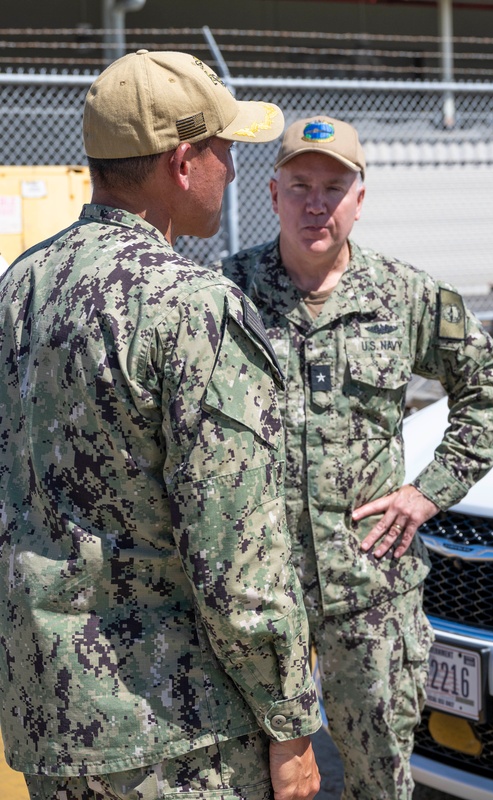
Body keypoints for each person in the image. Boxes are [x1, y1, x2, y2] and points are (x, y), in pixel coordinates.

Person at [0, 50, 323, 800]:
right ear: (183, 163)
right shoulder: (190, 305)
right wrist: (291, 722)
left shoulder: (22, 286)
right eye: (223, 151)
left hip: (48, 719)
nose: (233, 172)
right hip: (175, 735)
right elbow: (237, 552)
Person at [218, 115, 493, 800]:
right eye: (300, 186)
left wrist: (428, 490)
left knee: (380, 771)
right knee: (255, 776)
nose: (315, 204)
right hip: (260, 587)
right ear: (273, 194)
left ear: (360, 197)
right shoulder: (227, 295)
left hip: (370, 584)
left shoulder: (404, 294)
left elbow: (491, 390)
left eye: (333, 187)